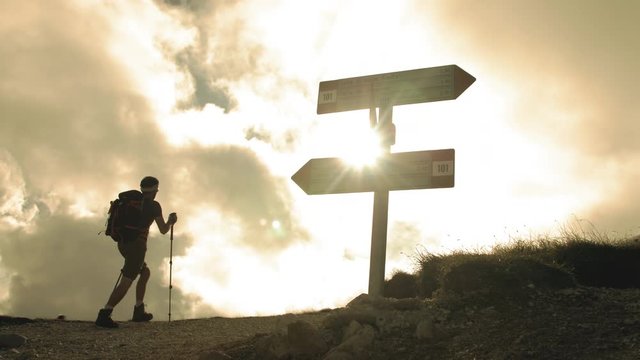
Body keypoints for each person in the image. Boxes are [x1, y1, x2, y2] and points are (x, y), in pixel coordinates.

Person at [95, 176, 178, 328]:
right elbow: (163, 230)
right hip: (137, 246)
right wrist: (171, 221)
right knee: (127, 280)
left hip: (123, 243)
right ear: (155, 190)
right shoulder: (153, 206)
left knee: (144, 272)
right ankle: (105, 313)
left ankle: (139, 310)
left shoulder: (129, 202)